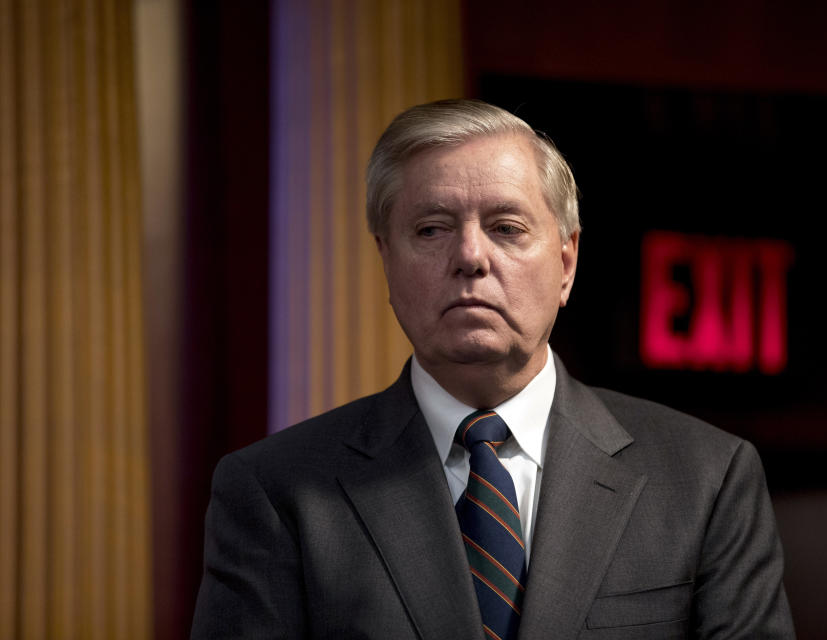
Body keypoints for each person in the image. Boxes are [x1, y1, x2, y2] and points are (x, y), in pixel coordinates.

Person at [191, 99, 795, 639]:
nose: (471, 257)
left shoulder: (706, 479)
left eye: (507, 228)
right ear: (386, 262)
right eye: (431, 229)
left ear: (566, 263)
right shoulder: (275, 491)